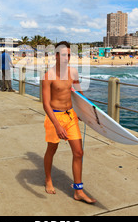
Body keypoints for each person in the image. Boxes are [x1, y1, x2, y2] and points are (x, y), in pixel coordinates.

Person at [41, 41, 96, 204]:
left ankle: (78, 191)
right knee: (52, 149)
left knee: (78, 152)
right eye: (64, 55)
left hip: (71, 116)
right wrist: (57, 126)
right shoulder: (48, 76)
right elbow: (45, 104)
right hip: (54, 118)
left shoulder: (73, 73)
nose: (67, 58)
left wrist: (89, 112)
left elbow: (79, 94)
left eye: (69, 55)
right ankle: (48, 179)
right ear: (56, 56)